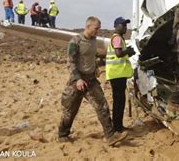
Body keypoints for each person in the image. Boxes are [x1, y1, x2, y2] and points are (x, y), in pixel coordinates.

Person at [58, 16, 128, 146]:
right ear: (88, 26)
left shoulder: (95, 41)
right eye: (96, 28)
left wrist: (95, 67)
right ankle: (63, 134)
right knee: (70, 109)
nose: (98, 31)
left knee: (102, 106)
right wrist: (78, 79)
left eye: (99, 28)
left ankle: (110, 136)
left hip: (91, 80)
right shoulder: (76, 41)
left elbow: (92, 57)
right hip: (77, 81)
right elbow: (70, 62)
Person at [105, 17, 136, 133]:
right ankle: (117, 127)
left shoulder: (118, 38)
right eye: (122, 25)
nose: (125, 27)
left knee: (119, 101)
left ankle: (118, 125)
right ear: (116, 26)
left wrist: (128, 53)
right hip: (117, 74)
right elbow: (118, 54)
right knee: (119, 101)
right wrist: (128, 51)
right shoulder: (117, 38)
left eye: (125, 25)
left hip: (117, 74)